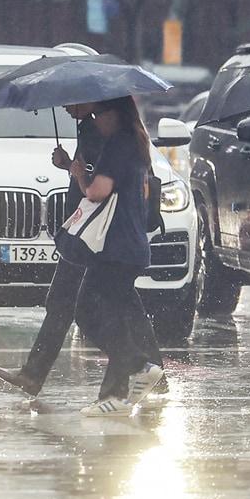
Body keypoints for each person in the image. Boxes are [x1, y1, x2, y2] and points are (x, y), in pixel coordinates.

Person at [0, 102, 166, 399]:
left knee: (77, 304)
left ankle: (132, 376)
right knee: (119, 305)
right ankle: (146, 376)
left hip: (96, 236)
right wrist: (70, 167)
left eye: (71, 101)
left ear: (94, 102)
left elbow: (101, 183)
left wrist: (75, 171)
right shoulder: (95, 127)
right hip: (93, 232)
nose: (64, 106)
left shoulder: (106, 132)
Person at [67, 96, 165, 416]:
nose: (96, 120)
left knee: (86, 311)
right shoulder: (134, 143)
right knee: (118, 318)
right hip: (128, 246)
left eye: (100, 114)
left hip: (115, 248)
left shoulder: (119, 144)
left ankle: (138, 366)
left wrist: (79, 175)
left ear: (116, 114)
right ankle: (115, 397)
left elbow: (98, 192)